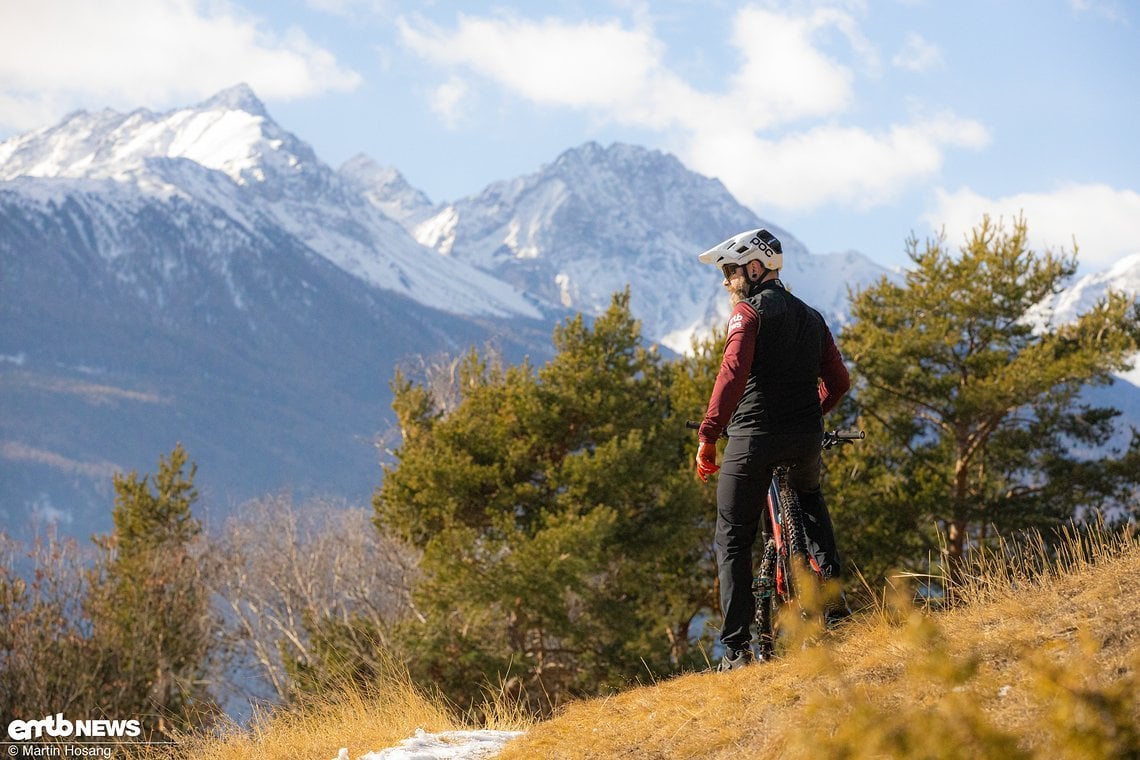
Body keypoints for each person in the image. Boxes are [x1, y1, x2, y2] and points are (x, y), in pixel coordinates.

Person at [693, 228, 851, 671]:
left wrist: (709, 434)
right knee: (812, 506)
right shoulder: (813, 317)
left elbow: (732, 375)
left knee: (733, 536)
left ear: (755, 268)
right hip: (805, 436)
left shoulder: (747, 313)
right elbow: (839, 383)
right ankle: (835, 614)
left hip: (753, 438)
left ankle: (738, 650)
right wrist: (813, 413)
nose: (726, 282)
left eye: (730, 271)